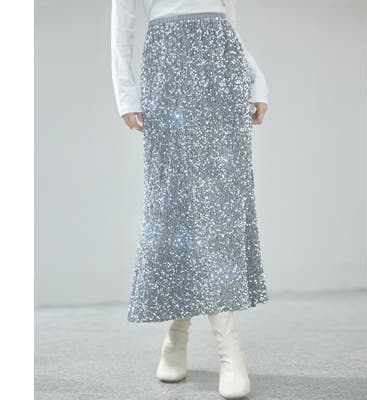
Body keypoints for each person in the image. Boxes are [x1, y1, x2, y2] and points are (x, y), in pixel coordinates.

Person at [111, 1, 269, 398]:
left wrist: (256, 80)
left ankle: (196, 337)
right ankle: (200, 337)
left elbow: (229, 24)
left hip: (222, 75)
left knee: (218, 206)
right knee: (176, 205)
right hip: (168, 72)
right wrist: (126, 94)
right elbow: (121, 30)